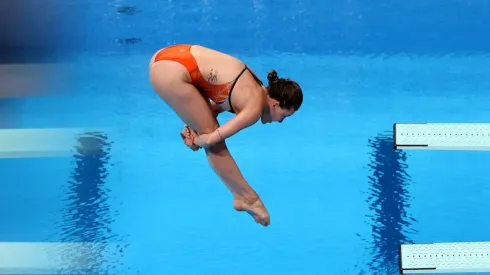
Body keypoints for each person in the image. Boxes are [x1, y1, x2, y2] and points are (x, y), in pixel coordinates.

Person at [148, 44, 303, 227]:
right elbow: (212, 138)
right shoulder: (253, 108)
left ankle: (243, 196)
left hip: (167, 58)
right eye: (284, 117)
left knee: (206, 126)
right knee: (211, 135)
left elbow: (211, 108)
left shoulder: (256, 87)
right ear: (276, 104)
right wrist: (198, 140)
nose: (279, 122)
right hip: (171, 71)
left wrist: (191, 129)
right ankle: (247, 198)